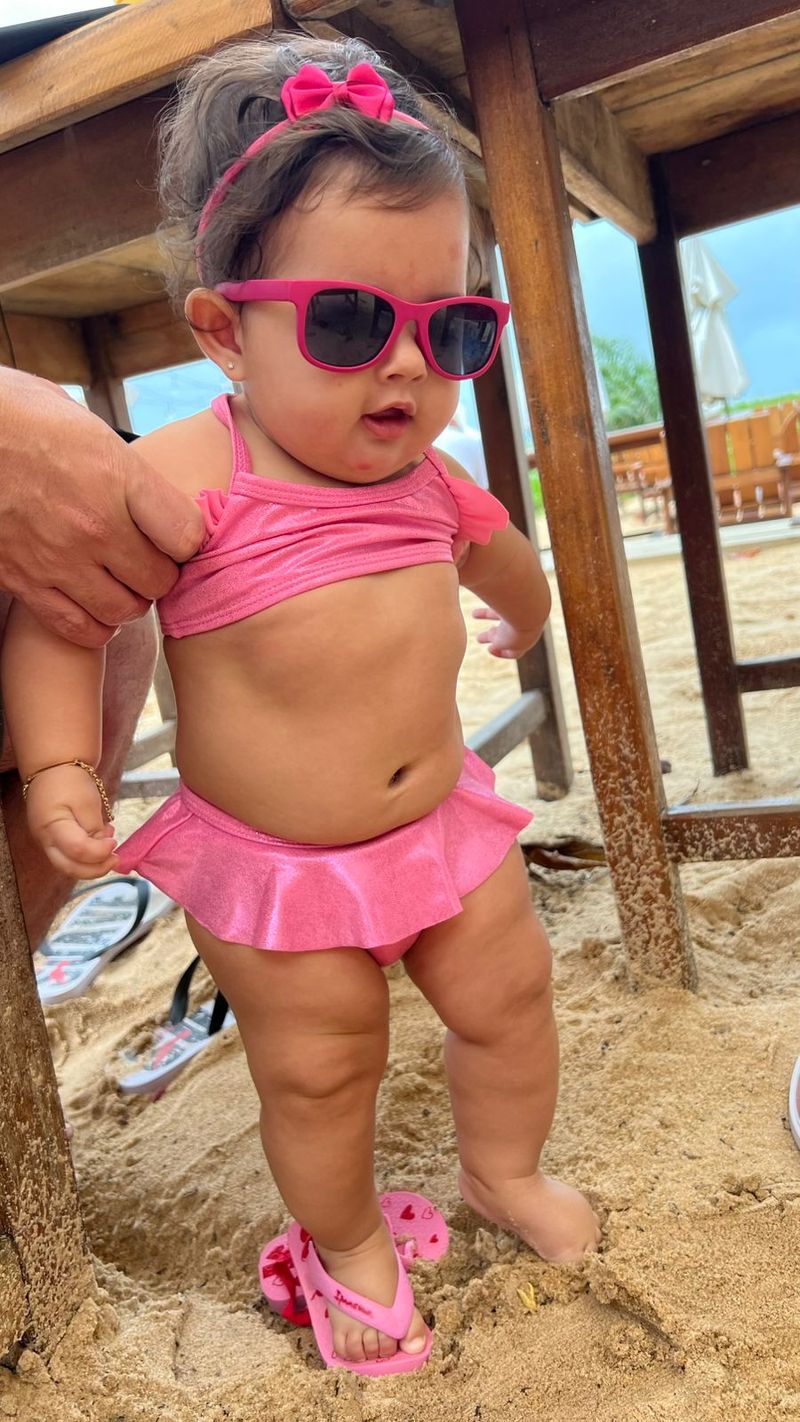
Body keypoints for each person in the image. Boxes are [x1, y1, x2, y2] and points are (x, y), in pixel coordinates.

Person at [1, 34, 599, 1374]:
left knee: (511, 995)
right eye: (346, 324)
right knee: (323, 1069)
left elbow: (503, 551)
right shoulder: (185, 476)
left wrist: (526, 616)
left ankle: (503, 1171)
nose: (406, 369)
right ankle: (347, 1249)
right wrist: (59, 767)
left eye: (451, 329)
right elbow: (61, 612)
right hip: (277, 870)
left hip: (441, 828)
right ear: (225, 329)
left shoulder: (430, 478)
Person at [0, 368, 203, 944]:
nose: (406, 364)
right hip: (262, 845)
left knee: (101, 600)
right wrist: (59, 764)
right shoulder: (196, 456)